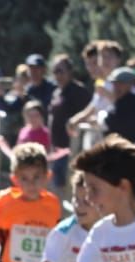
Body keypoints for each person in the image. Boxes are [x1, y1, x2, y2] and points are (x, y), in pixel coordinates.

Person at [49, 55, 91, 187]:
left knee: (68, 188)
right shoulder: (56, 92)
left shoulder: (79, 91)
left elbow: (86, 116)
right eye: (55, 71)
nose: (57, 75)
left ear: (70, 72)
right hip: (56, 149)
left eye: (61, 71)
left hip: (72, 150)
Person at [101, 67, 135, 143]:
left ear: (129, 85)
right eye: (114, 84)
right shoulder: (120, 102)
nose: (116, 87)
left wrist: (102, 118)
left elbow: (113, 124)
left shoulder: (134, 104)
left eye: (120, 84)